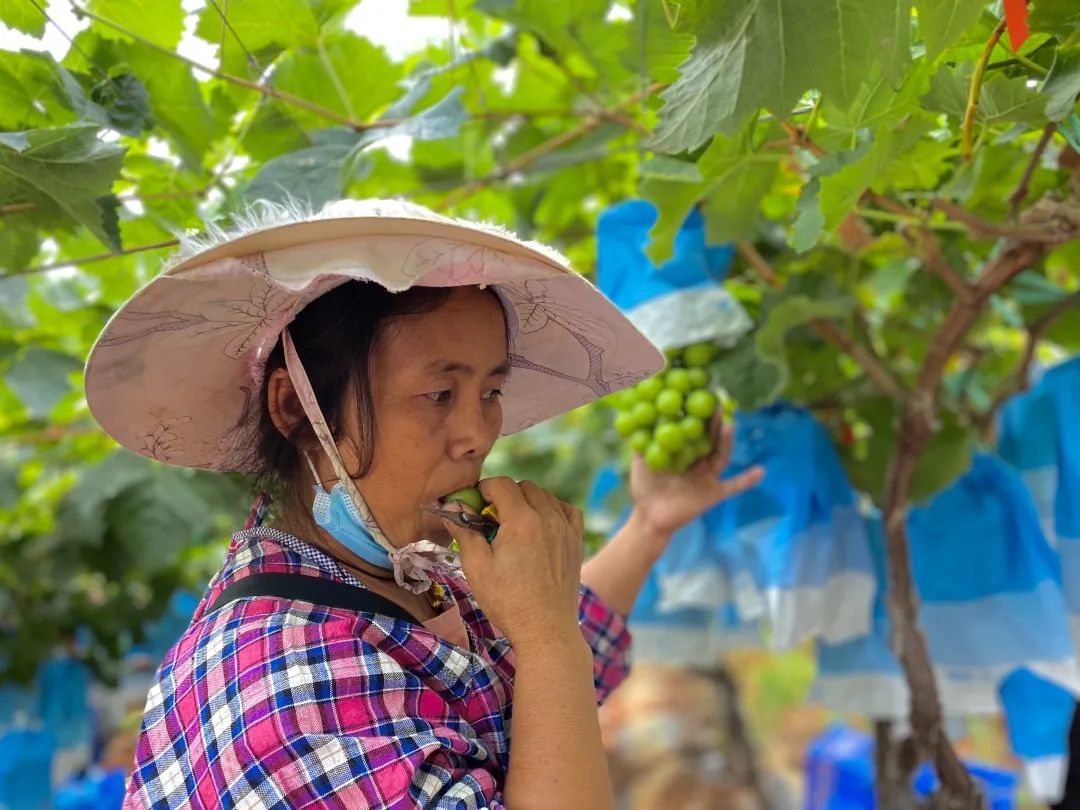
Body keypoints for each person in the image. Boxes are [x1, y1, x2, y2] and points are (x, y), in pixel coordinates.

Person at [85, 199, 763, 809]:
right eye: (439, 395)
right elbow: (548, 662)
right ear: (296, 407)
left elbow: (536, 693)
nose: (477, 435)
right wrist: (551, 641)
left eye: (491, 392)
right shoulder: (284, 679)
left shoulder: (390, 581)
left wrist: (649, 525)